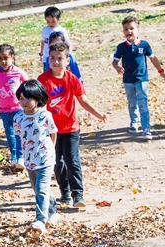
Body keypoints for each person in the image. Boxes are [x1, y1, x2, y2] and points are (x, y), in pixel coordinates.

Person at [37, 42, 107, 208]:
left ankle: (78, 195)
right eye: (52, 58)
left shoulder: (72, 79)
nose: (55, 62)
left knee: (72, 161)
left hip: (70, 128)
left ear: (68, 60)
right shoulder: (43, 79)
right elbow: (41, 104)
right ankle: (65, 193)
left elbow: (82, 99)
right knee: (57, 162)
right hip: (51, 130)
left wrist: (97, 113)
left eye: (59, 58)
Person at [13, 80, 60, 233]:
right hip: (29, 160)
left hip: (45, 159)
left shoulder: (45, 116)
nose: (24, 102)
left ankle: (41, 220)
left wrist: (50, 150)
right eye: (21, 98)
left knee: (41, 188)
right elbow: (20, 138)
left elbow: (53, 133)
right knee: (38, 189)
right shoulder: (18, 118)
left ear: (37, 97)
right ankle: (53, 211)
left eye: (27, 98)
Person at [112, 15, 165, 140]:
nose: (129, 31)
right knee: (132, 103)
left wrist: (161, 71)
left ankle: (146, 127)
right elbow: (115, 61)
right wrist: (117, 67)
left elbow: (153, 58)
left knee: (143, 103)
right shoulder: (121, 47)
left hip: (142, 80)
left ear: (137, 29)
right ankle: (134, 122)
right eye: (126, 29)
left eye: (132, 28)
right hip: (128, 80)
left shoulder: (144, 45)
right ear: (123, 31)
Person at [0, 43, 29, 171]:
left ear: (12, 57)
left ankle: (21, 157)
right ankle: (14, 157)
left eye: (6, 58)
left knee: (19, 133)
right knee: (9, 134)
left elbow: (27, 85)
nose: (3, 61)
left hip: (18, 109)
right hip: (4, 110)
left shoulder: (17, 72)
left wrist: (23, 98)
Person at [39, 6, 72, 71]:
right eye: (48, 21)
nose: (50, 24)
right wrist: (41, 53)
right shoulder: (45, 29)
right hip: (47, 57)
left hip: (58, 58)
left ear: (58, 19)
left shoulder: (61, 30)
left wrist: (67, 55)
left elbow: (68, 44)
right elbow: (43, 41)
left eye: (53, 21)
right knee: (47, 73)